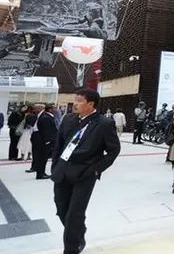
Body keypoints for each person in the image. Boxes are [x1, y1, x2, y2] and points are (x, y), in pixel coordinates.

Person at [51, 89, 120, 254]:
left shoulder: (104, 123)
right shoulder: (68, 119)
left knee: (75, 214)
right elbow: (58, 146)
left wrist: (96, 170)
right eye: (75, 100)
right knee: (62, 209)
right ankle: (79, 232)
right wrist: (55, 165)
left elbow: (113, 150)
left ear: (91, 104)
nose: (75, 103)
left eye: (79, 100)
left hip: (85, 174)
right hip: (63, 171)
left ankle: (71, 249)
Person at [32, 103, 58, 180]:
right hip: (44, 142)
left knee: (43, 158)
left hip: (44, 141)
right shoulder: (46, 118)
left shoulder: (47, 116)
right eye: (54, 108)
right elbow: (46, 131)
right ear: (50, 109)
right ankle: (40, 174)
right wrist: (48, 141)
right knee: (42, 158)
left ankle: (41, 172)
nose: (56, 109)